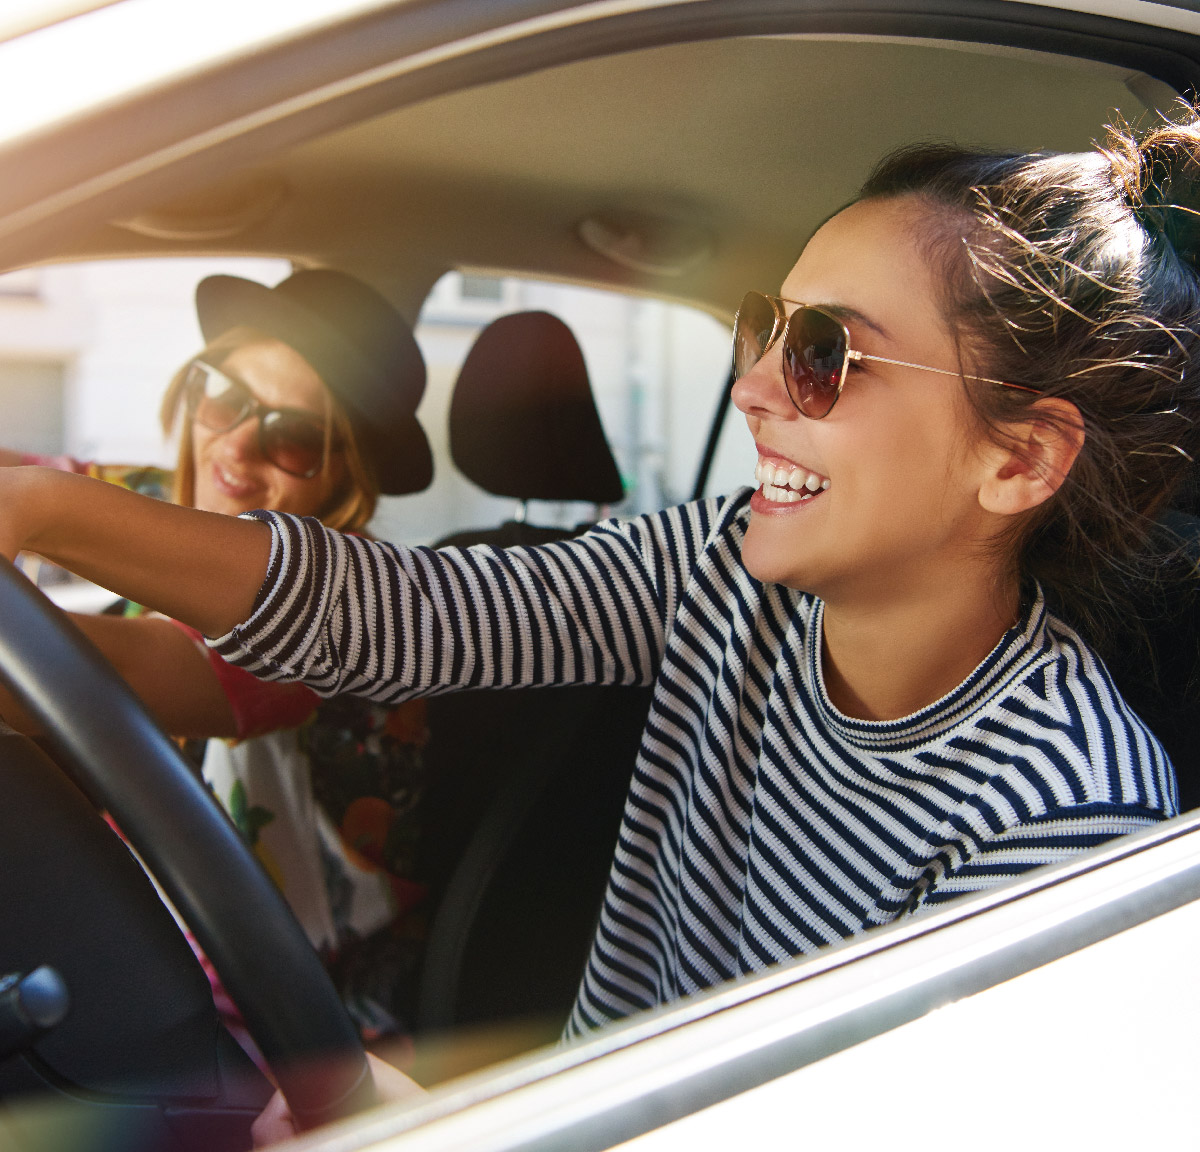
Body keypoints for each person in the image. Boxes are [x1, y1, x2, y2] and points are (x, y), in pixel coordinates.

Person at [3, 113, 1199, 1137]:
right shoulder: (731, 569)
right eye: (765, 326)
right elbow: (415, 617)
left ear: (1021, 458)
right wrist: (46, 505)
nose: (756, 388)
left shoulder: (1066, 823)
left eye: (828, 354)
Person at [0, 268, 435, 1045]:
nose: (234, 448)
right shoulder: (168, 504)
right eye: (225, 398)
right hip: (141, 959)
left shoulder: (353, 605)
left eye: (293, 436)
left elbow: (127, 675)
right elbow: (32, 472)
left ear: (344, 477)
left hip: (294, 1035)